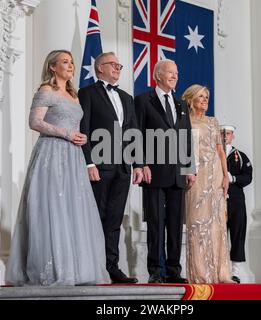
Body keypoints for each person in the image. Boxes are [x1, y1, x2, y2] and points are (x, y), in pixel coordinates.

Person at [5, 50, 109, 286]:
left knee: (73, 208)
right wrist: (66, 134)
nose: (70, 66)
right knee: (52, 207)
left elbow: (76, 125)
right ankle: (52, 269)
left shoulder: (74, 95)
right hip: (51, 153)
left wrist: (80, 138)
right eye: (65, 62)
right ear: (52, 67)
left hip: (73, 157)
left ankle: (77, 268)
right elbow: (35, 122)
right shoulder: (46, 90)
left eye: (71, 62)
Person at [79, 52, 143, 284]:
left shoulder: (126, 97)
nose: (117, 68)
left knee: (114, 219)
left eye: (119, 65)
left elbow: (133, 131)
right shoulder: (86, 93)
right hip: (99, 164)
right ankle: (90, 266)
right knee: (95, 216)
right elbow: (83, 129)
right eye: (113, 65)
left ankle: (111, 267)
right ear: (99, 68)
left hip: (123, 167)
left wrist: (138, 163)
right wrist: (88, 162)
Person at [134, 59, 196, 284]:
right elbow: (136, 134)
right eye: (171, 72)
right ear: (157, 75)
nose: (175, 76)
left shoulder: (181, 104)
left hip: (178, 173)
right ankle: (156, 270)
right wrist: (140, 164)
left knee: (175, 224)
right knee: (156, 223)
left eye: (177, 73)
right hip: (154, 172)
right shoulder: (143, 100)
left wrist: (190, 168)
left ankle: (173, 269)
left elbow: (187, 138)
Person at [182, 85, 234, 284]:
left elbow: (220, 151)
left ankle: (222, 274)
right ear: (190, 99)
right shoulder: (184, 121)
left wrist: (225, 176)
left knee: (217, 225)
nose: (204, 100)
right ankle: (201, 275)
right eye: (200, 96)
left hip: (216, 176)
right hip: (196, 176)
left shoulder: (214, 121)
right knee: (198, 224)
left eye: (206, 96)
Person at [221, 125, 253, 284]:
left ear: (232, 135)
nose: (225, 136)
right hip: (217, 199)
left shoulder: (240, 156)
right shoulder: (213, 154)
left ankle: (235, 271)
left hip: (236, 200)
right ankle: (220, 269)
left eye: (227, 133)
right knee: (218, 235)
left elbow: (248, 177)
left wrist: (233, 178)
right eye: (222, 133)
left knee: (237, 234)